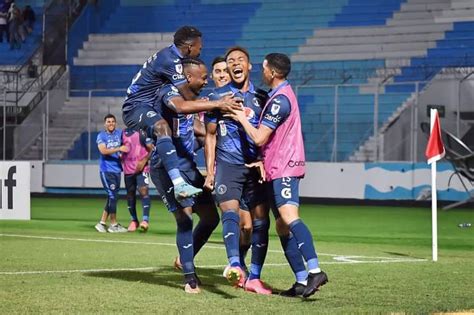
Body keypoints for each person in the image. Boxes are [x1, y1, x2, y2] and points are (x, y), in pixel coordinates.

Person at [226, 53, 328, 298]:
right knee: (282, 226)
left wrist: (240, 118)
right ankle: (302, 281)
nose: (263, 72)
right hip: (276, 167)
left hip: (284, 167)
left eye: (264, 68)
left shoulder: (279, 100)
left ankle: (315, 269)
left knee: (289, 217)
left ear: (271, 72)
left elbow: (260, 137)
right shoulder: (278, 95)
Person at [122, 26, 241, 202]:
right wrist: (218, 103)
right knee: (162, 127)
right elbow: (186, 98)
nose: (200, 51)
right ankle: (178, 183)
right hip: (135, 107)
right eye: (199, 47)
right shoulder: (171, 61)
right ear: (189, 47)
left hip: (148, 106)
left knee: (193, 133)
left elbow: (190, 98)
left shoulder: (170, 57)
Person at [205, 47, 271, 294]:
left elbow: (270, 136)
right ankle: (234, 264)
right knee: (230, 213)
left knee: (256, 224)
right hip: (228, 164)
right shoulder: (217, 97)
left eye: (240, 60)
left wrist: (264, 159)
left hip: (254, 168)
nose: (235, 64)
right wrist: (210, 171)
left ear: (249, 66)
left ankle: (254, 276)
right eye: (230, 61)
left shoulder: (262, 98)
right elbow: (210, 136)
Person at [150, 58, 219, 293]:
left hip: (189, 166)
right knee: (185, 218)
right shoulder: (169, 92)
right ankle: (190, 278)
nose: (207, 80)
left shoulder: (191, 99)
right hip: (167, 169)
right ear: (189, 77)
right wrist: (214, 104)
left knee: (211, 218)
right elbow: (179, 108)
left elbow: (193, 128)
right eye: (204, 76)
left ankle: (182, 260)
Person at [95, 114, 129, 233]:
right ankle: (113, 224)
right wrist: (119, 149)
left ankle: (102, 223)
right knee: (113, 196)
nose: (111, 123)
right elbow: (103, 151)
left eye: (113, 121)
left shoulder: (119, 134)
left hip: (117, 170)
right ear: (105, 124)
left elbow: (127, 145)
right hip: (106, 170)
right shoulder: (101, 136)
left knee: (112, 196)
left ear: (115, 123)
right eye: (108, 122)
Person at [121, 128, 153, 232]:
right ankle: (134, 220)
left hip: (141, 168)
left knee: (144, 191)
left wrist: (144, 161)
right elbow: (120, 148)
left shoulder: (142, 132)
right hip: (128, 169)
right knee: (130, 195)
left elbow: (152, 148)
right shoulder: (123, 133)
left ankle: (145, 220)